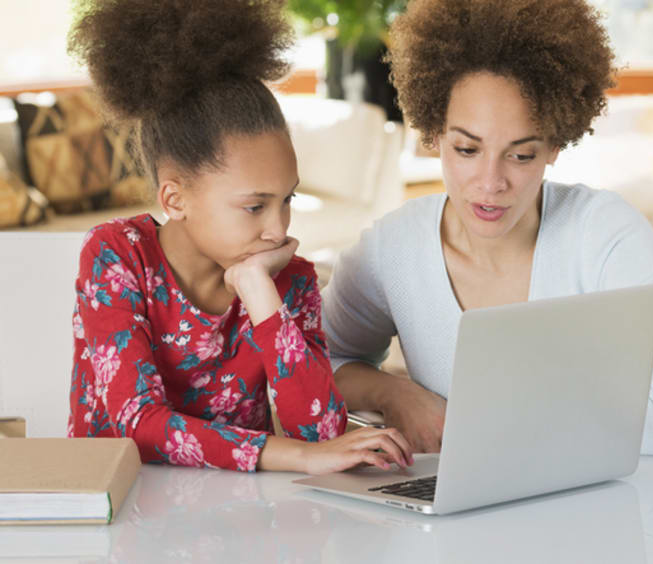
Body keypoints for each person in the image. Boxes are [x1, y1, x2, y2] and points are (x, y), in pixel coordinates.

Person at [322, 0, 653, 455]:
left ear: (554, 144)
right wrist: (395, 394)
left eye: (521, 155)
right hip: (457, 516)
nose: (491, 183)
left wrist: (505, 429)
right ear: (434, 135)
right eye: (467, 150)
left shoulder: (604, 234)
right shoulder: (391, 250)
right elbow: (313, 366)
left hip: (593, 513)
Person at [66, 0, 413, 474]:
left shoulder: (286, 279)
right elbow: (138, 423)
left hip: (239, 516)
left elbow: (320, 433)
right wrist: (297, 457)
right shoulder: (116, 256)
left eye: (287, 199)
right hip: (119, 510)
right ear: (175, 199)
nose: (279, 229)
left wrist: (260, 296)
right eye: (254, 206)